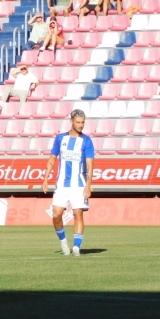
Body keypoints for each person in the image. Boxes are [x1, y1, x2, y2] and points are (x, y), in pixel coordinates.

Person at [41, 109, 95, 257]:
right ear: (71, 121)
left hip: (79, 184)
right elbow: (52, 159)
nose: (81, 125)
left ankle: (77, 247)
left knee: (78, 214)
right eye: (78, 122)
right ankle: (63, 241)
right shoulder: (60, 139)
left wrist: (88, 185)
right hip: (62, 185)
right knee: (56, 215)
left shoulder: (87, 141)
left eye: (83, 122)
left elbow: (90, 166)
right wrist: (45, 178)